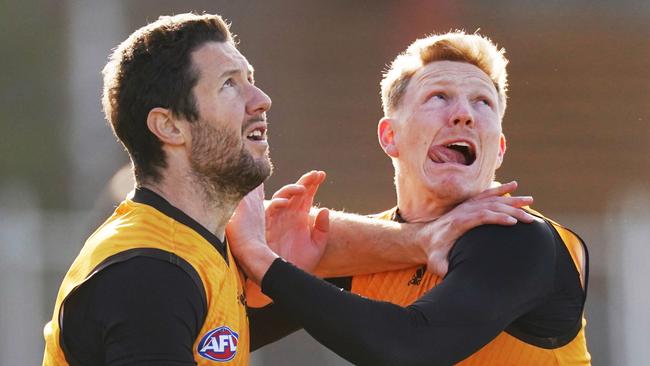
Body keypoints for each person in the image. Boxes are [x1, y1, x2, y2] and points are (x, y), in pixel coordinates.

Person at [42, 14, 534, 366]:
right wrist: (266, 260)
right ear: (170, 127)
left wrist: (417, 241)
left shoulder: (199, 250)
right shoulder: (150, 271)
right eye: (230, 85)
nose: (262, 99)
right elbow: (406, 345)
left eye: (251, 79)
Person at [228, 31, 591, 365]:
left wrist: (261, 258)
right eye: (439, 97)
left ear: (498, 150)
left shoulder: (517, 234)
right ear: (390, 137)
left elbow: (409, 349)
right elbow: (222, 341)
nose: (464, 114)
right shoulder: (372, 248)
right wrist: (272, 283)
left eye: (482, 102)